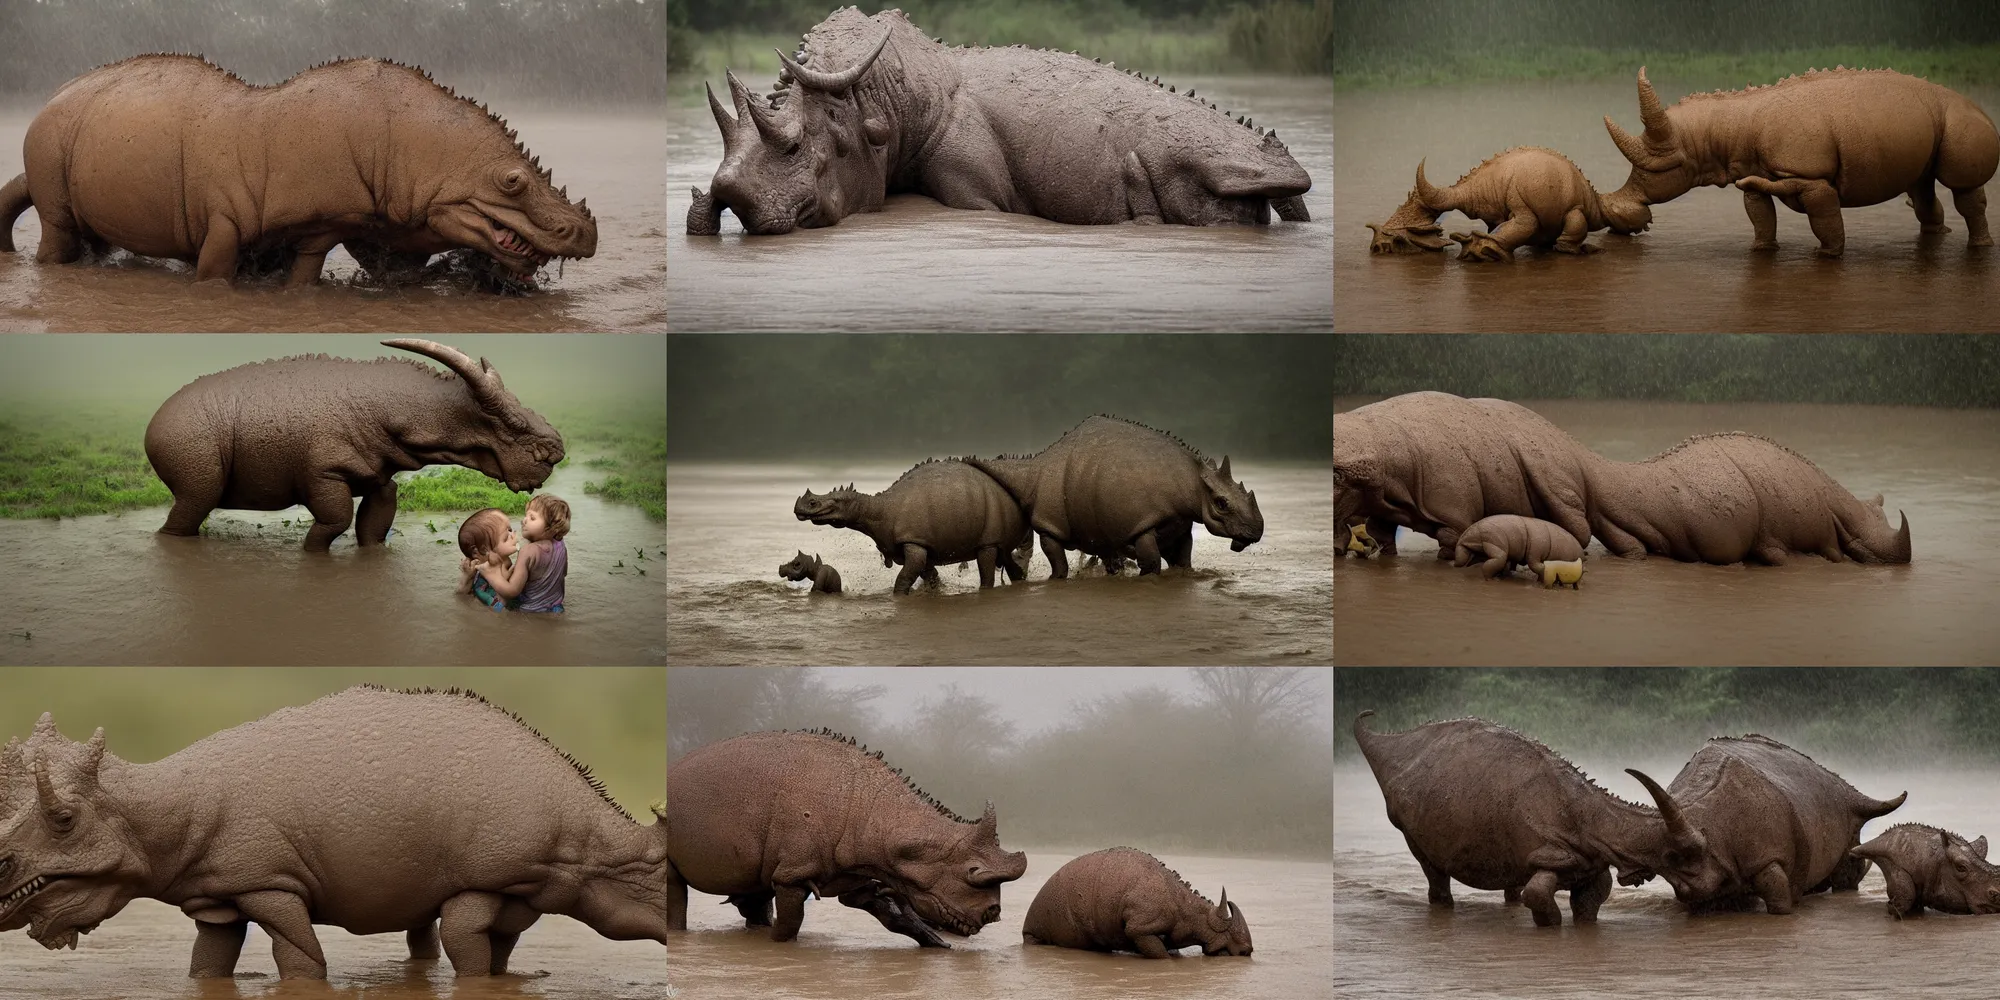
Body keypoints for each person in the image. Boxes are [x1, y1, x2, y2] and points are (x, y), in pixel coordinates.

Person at [478, 495, 569, 614]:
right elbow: (564, 572)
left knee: (485, 599)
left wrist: (490, 575)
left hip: (530, 610)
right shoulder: (560, 545)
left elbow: (512, 591)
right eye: (526, 515)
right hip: (556, 608)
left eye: (532, 518)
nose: (524, 520)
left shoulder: (528, 551)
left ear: (551, 527)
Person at [455, 507, 517, 612]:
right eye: (506, 538)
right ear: (482, 550)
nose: (513, 535)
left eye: (510, 530)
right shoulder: (484, 577)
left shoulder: (504, 560)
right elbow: (498, 609)